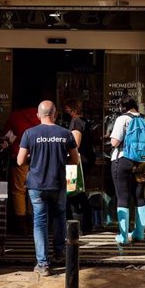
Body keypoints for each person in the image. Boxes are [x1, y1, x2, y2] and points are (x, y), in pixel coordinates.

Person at [17, 100, 79, 276]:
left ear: (38, 115)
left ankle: (43, 264)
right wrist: (61, 160)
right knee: (60, 216)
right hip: (58, 183)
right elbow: (75, 160)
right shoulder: (66, 133)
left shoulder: (29, 133)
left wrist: (34, 159)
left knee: (40, 222)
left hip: (36, 185)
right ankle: (59, 252)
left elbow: (20, 161)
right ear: (55, 114)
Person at [110, 96, 145, 245]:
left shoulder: (122, 119)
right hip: (143, 161)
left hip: (123, 160)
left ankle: (123, 236)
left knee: (123, 196)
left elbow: (115, 142)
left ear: (123, 107)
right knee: (139, 195)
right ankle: (139, 233)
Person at [3, 101, 39, 235]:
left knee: (19, 190)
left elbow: (6, 133)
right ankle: (35, 222)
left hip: (19, 156)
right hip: (38, 158)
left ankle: (22, 225)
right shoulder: (40, 114)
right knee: (36, 189)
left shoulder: (16, 115)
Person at [63, 99, 94, 233]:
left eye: (68, 111)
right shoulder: (84, 121)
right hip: (86, 159)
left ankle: (77, 225)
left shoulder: (76, 122)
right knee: (77, 192)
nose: (66, 113)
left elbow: (75, 143)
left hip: (77, 161)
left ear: (75, 111)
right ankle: (85, 223)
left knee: (73, 192)